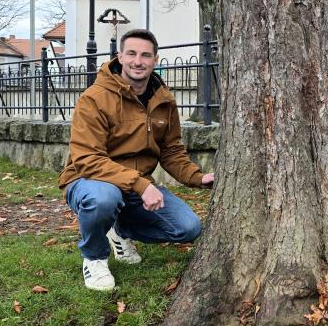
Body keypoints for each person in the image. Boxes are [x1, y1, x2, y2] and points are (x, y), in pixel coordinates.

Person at [58, 29, 214, 291]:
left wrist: (197, 177)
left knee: (188, 228)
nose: (137, 61)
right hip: (89, 181)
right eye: (131, 53)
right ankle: (94, 258)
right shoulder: (94, 98)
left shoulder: (163, 100)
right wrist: (141, 185)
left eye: (145, 55)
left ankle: (119, 231)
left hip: (133, 187)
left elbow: (171, 150)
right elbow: (87, 159)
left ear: (155, 59)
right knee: (103, 198)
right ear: (120, 56)